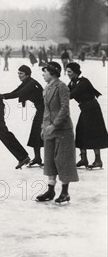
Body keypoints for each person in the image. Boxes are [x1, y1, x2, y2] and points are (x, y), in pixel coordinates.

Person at [36, 62, 79, 203]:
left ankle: (65, 192)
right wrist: (44, 127)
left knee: (63, 161)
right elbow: (46, 110)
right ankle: (50, 190)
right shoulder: (46, 88)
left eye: (45, 71)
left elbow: (65, 109)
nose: (43, 74)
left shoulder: (62, 87)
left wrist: (54, 125)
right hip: (49, 129)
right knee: (49, 160)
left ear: (52, 73)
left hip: (62, 130)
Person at [65, 62, 108, 169]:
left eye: (69, 72)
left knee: (94, 133)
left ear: (75, 72)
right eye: (67, 72)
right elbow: (65, 91)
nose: (68, 74)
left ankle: (98, 160)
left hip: (93, 110)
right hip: (85, 109)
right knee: (80, 131)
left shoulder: (83, 82)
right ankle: (84, 159)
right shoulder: (72, 82)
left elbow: (70, 95)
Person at [2, 65, 45, 167]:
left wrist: (2, 96)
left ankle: (46, 158)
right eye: (18, 73)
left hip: (46, 110)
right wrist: (1, 96)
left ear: (27, 75)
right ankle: (37, 158)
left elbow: (19, 93)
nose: (19, 75)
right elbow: (15, 91)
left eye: (21, 74)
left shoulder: (31, 84)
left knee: (40, 133)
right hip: (40, 110)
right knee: (35, 132)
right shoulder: (27, 82)